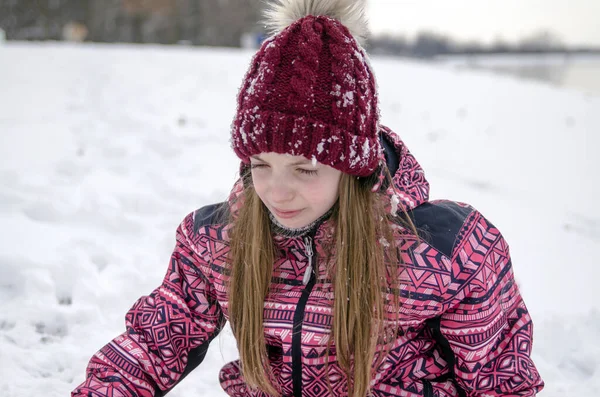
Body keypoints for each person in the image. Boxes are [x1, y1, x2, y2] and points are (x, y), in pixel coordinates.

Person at [72, 1, 544, 396]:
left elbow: (500, 383)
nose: (277, 191)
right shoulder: (216, 241)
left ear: (352, 165)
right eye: (260, 165)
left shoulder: (447, 250)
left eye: (305, 169)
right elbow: (157, 342)